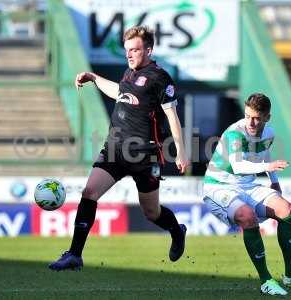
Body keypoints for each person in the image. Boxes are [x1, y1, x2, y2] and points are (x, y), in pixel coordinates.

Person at [49, 26, 189, 271]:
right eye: (127, 51)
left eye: (134, 50)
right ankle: (74, 255)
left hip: (145, 154)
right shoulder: (129, 73)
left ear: (148, 49)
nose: (129, 55)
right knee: (89, 192)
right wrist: (93, 78)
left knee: (151, 212)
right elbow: (120, 92)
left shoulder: (160, 78)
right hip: (115, 149)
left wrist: (181, 151)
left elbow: (172, 117)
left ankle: (176, 231)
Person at [203, 93, 291, 296]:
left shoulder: (269, 133)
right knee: (247, 216)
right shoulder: (235, 133)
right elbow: (238, 166)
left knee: (287, 210)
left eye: (257, 117)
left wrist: (274, 181)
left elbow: (263, 154)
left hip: (247, 185)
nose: (251, 122)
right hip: (219, 186)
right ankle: (266, 280)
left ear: (267, 117)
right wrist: (269, 166)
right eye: (248, 116)